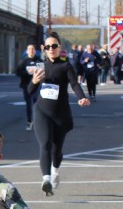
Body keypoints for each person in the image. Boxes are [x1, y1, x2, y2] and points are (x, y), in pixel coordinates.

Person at [28, 32, 91, 196]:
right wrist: (34, 81)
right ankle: (46, 179)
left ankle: (55, 170)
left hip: (60, 114)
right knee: (45, 144)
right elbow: (30, 90)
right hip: (42, 111)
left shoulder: (65, 66)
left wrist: (82, 97)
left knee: (56, 150)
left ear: (59, 47)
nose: (51, 49)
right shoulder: (40, 66)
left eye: (54, 46)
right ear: (44, 48)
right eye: (48, 46)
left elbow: (75, 84)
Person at [14, 43, 41, 130]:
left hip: (37, 85)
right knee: (28, 104)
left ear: (35, 51)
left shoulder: (39, 60)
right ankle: (29, 121)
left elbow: (42, 72)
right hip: (26, 85)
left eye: (33, 49)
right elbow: (17, 72)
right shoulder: (23, 61)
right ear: (27, 51)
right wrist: (27, 72)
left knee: (36, 104)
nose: (31, 51)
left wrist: (37, 72)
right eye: (29, 49)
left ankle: (37, 121)